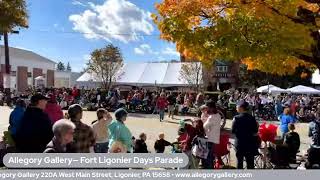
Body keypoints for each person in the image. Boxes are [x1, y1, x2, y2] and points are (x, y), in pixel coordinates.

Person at [232, 100, 259, 169]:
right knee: (250, 163)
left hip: (240, 144)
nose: (236, 108)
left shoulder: (236, 118)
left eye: (237, 106)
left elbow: (233, 131)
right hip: (250, 143)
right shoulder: (252, 118)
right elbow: (255, 131)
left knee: (239, 163)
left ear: (241, 108)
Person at [203, 100, 222, 169]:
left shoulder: (211, 117)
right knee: (211, 157)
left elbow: (204, 127)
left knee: (208, 158)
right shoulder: (218, 115)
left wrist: (205, 117)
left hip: (210, 139)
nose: (206, 109)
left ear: (211, 108)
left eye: (207, 107)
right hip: (215, 138)